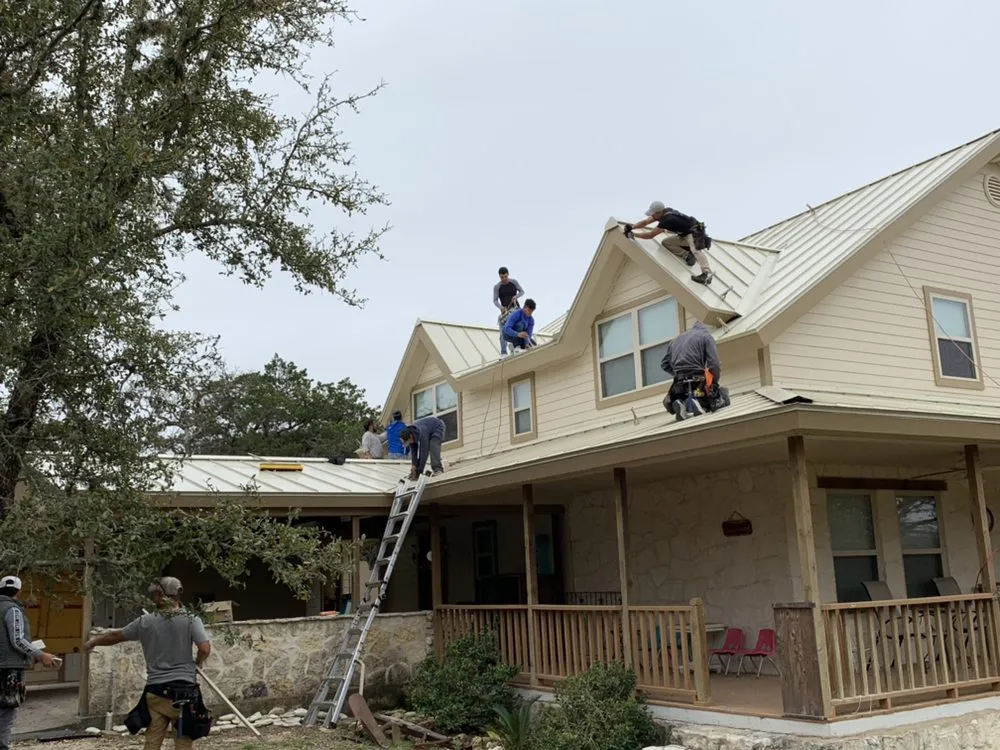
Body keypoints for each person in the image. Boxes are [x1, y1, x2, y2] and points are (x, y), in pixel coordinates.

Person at [85, 577, 212, 750]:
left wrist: (93, 642)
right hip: (184, 694)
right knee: (183, 742)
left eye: (154, 594)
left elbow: (115, 636)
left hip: (156, 692)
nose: (152, 598)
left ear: (159, 595)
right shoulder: (191, 619)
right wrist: (198, 663)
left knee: (152, 741)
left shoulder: (145, 622)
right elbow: (204, 648)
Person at [0, 576, 60, 750]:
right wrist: (41, 655)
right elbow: (18, 640)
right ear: (19, 591)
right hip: (8, 669)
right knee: (6, 710)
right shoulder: (12, 610)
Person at [623, 201, 715, 285]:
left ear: (659, 213)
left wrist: (633, 235)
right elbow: (645, 222)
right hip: (685, 233)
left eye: (654, 214)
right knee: (666, 243)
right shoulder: (664, 212)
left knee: (696, 250)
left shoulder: (668, 220)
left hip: (696, 230)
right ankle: (687, 255)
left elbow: (651, 235)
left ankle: (706, 275)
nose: (652, 216)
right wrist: (632, 227)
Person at [660, 321, 727, 421]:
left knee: (679, 395)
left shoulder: (675, 340)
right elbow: (714, 363)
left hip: (679, 383)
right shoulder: (706, 336)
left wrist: (678, 374)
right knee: (714, 397)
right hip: (698, 379)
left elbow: (664, 364)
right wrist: (714, 382)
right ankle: (698, 403)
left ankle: (681, 404)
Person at [400, 416, 446, 480]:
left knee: (433, 446)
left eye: (406, 442)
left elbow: (424, 453)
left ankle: (438, 469)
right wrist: (414, 466)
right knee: (417, 453)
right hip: (428, 428)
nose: (405, 444)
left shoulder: (421, 433)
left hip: (437, 426)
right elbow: (414, 453)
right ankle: (416, 472)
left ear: (410, 437)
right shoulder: (411, 435)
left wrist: (419, 472)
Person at [493, 267, 525, 356]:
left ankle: (517, 346)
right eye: (502, 277)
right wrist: (500, 307)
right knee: (503, 331)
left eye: (505, 277)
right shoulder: (497, 287)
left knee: (517, 327)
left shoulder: (513, 282)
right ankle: (503, 352)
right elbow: (495, 300)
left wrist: (516, 297)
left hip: (515, 308)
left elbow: (522, 291)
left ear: (508, 274)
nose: (504, 279)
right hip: (505, 312)